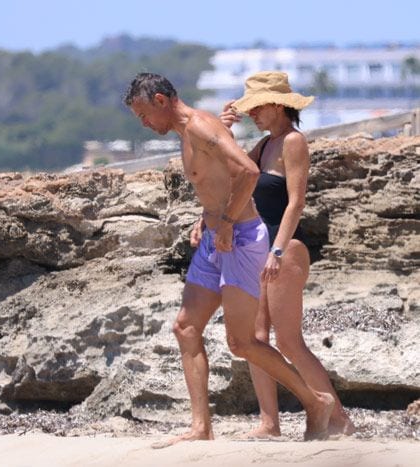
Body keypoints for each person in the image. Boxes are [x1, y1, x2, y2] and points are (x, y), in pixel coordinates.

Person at [122, 72, 334, 446]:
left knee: (243, 342)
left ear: (159, 100)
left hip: (241, 237)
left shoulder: (201, 126)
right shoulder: (193, 131)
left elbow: (248, 172)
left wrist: (227, 222)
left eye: (142, 114)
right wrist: (205, 219)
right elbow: (220, 177)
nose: (142, 124)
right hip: (215, 238)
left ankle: (315, 403)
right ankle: (201, 428)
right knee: (185, 328)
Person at [212, 71, 355, 438]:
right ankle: (269, 423)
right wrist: (223, 130)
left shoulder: (293, 141)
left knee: (289, 341)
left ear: (277, 105)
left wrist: (276, 251)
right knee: (256, 339)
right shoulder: (263, 145)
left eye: (256, 107)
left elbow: (297, 202)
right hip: (259, 248)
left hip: (285, 248)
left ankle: (338, 418)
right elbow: (232, 176)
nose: (253, 114)